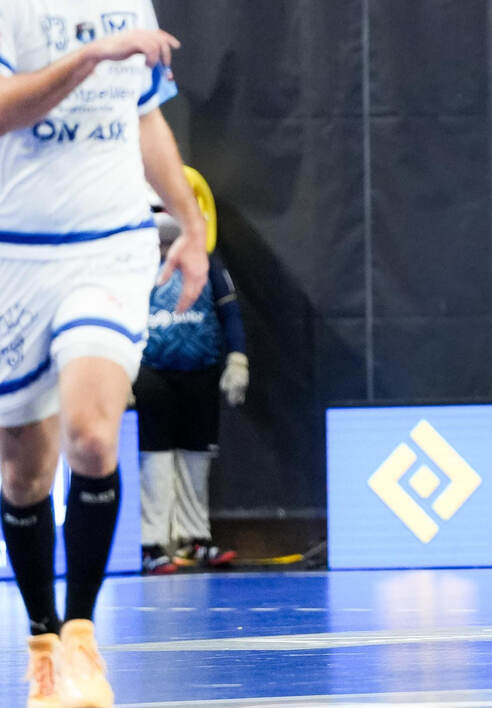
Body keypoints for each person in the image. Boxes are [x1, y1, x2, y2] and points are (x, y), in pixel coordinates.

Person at [0, 2, 208, 706]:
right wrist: (91, 56)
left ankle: (82, 639)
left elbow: (145, 119)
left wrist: (190, 225)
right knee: (24, 472)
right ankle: (42, 641)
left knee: (92, 437)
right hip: (17, 256)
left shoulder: (129, 3)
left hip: (111, 247)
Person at [137, 187, 247, 575]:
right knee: (154, 460)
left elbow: (229, 313)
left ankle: (194, 537)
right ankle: (152, 543)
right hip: (151, 373)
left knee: (196, 458)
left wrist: (238, 359)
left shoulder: (206, 261)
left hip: (200, 372)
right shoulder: (132, 264)